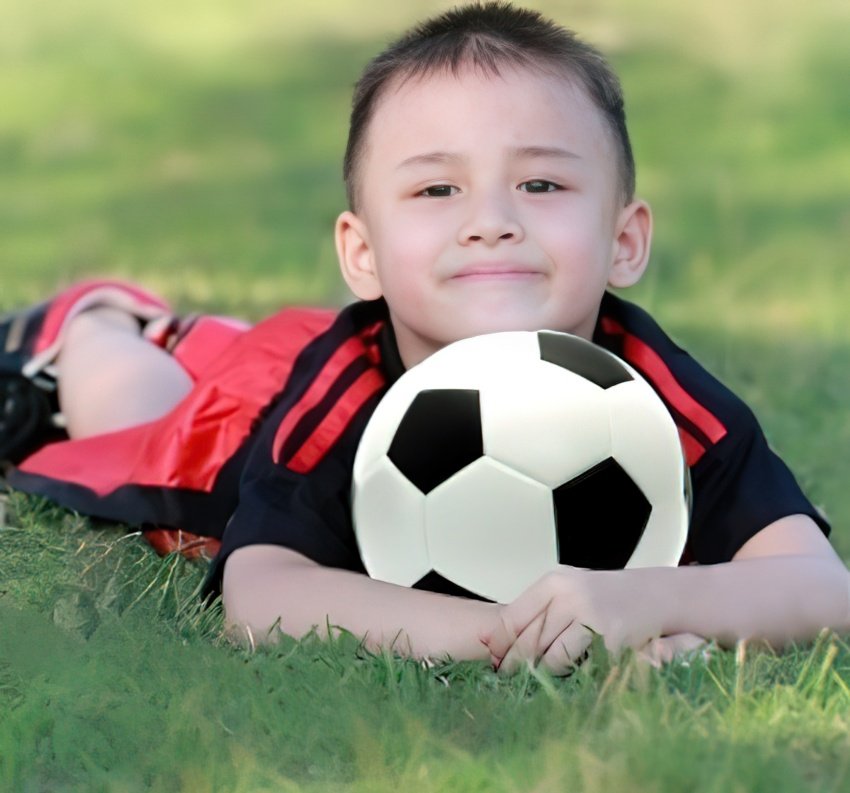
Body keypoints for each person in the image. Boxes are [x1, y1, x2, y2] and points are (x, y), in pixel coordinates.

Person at [1, 3, 847, 674]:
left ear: (625, 239)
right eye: (438, 188)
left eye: (541, 181)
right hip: (245, 408)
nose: (491, 222)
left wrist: (641, 606)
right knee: (138, 429)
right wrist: (516, 635)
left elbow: (818, 586)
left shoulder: (658, 390)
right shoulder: (343, 393)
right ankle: (99, 322)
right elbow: (261, 598)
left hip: (290, 350)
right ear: (362, 254)